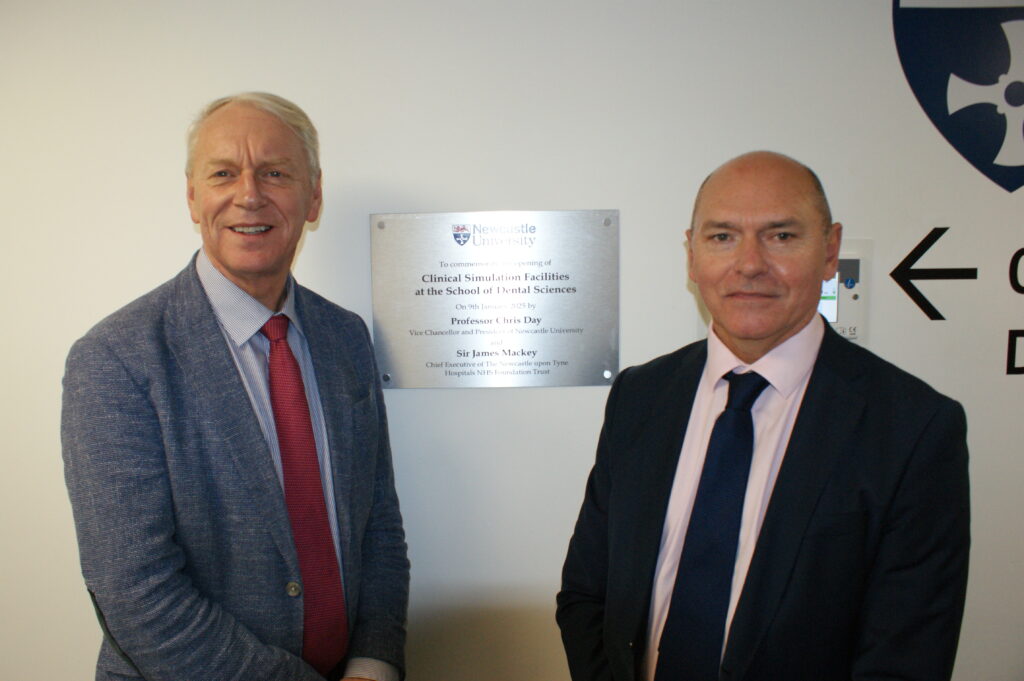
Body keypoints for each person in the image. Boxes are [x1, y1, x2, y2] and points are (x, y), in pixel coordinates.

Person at [556, 151, 970, 681]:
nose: (749, 263)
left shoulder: (915, 428)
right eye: (722, 236)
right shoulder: (641, 396)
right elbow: (588, 594)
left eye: (781, 236)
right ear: (691, 255)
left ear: (830, 251)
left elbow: (906, 657)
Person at [62, 93, 409, 681]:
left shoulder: (346, 338)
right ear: (193, 196)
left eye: (275, 172)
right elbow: (134, 590)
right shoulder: (115, 358)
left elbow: (378, 523)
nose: (249, 194)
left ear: (314, 195)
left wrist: (374, 663)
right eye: (224, 173)